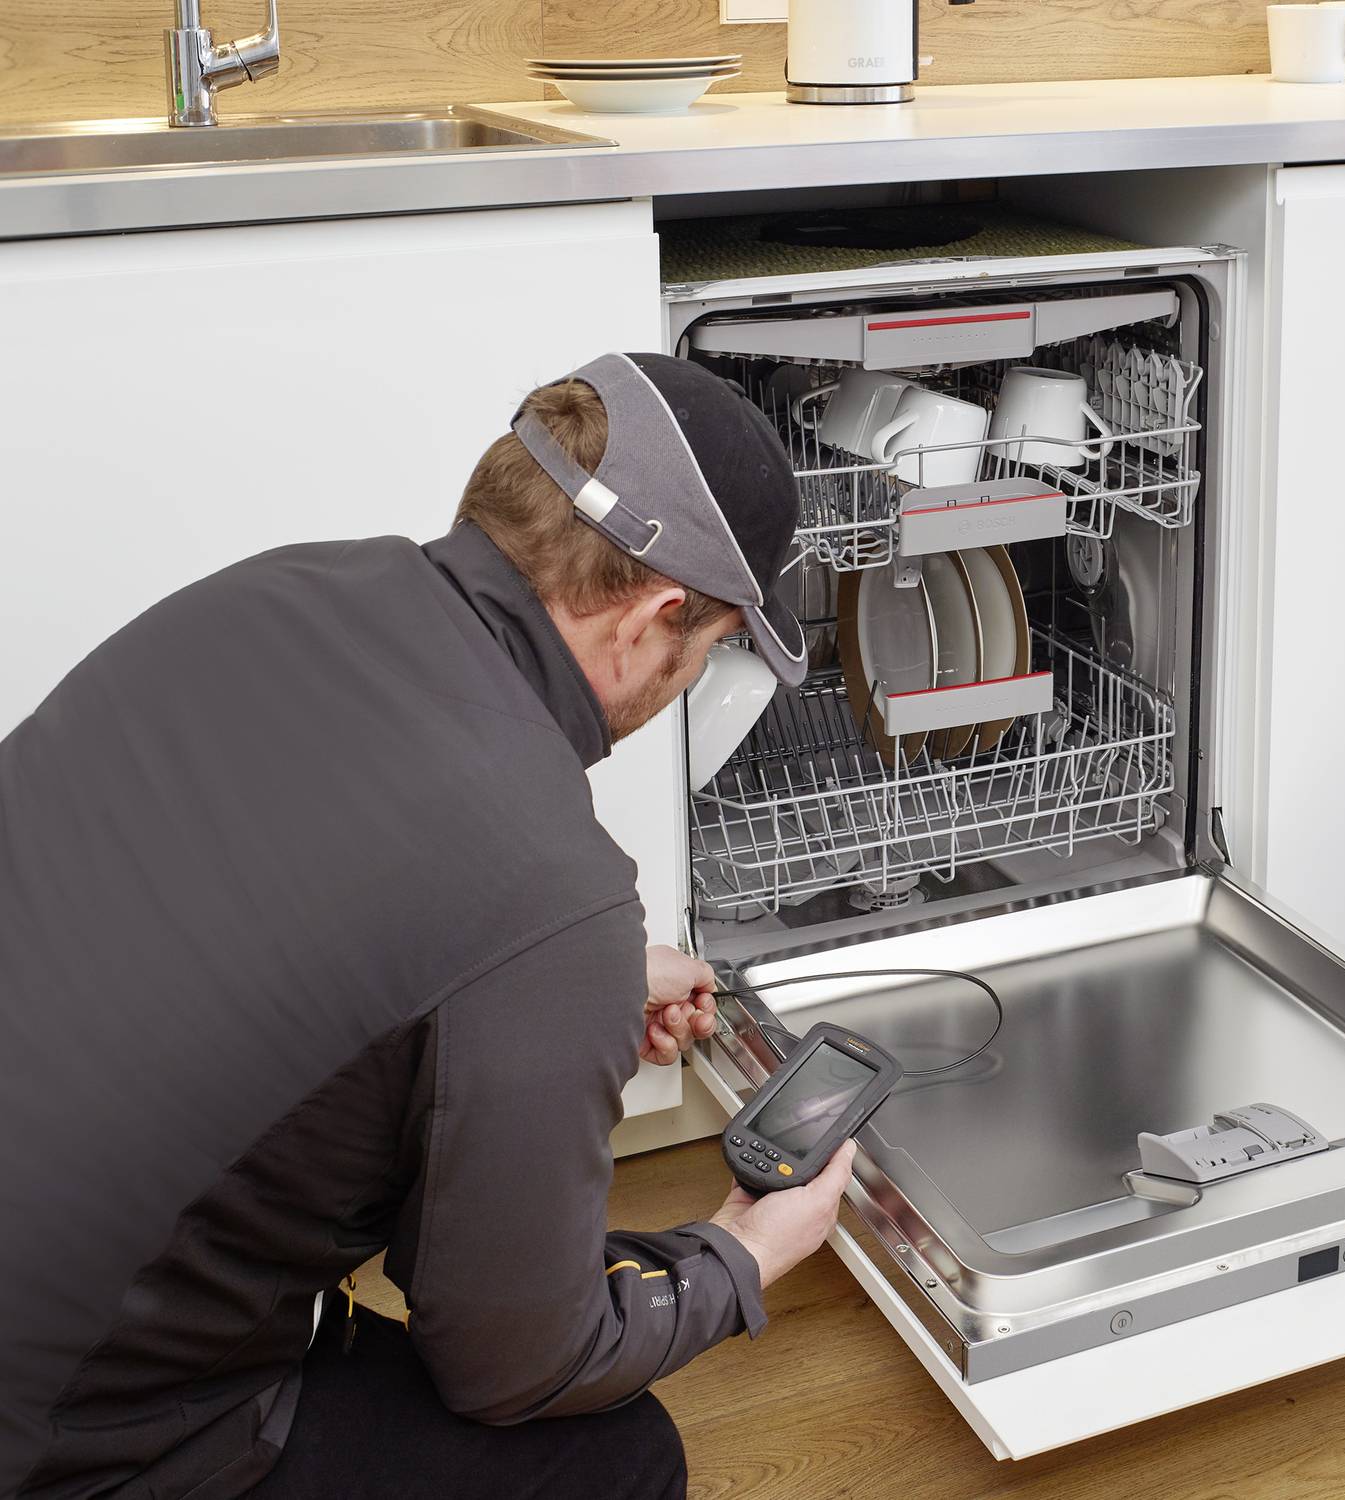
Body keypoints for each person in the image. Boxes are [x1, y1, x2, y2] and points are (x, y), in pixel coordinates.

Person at [0, 353, 848, 1500]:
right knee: (615, 1464)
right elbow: (518, 1364)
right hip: (61, 1440)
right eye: (708, 651)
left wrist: (569, 992)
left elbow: (296, 926)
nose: (693, 676)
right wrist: (739, 1256)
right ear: (656, 618)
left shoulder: (282, 587)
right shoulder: (548, 892)